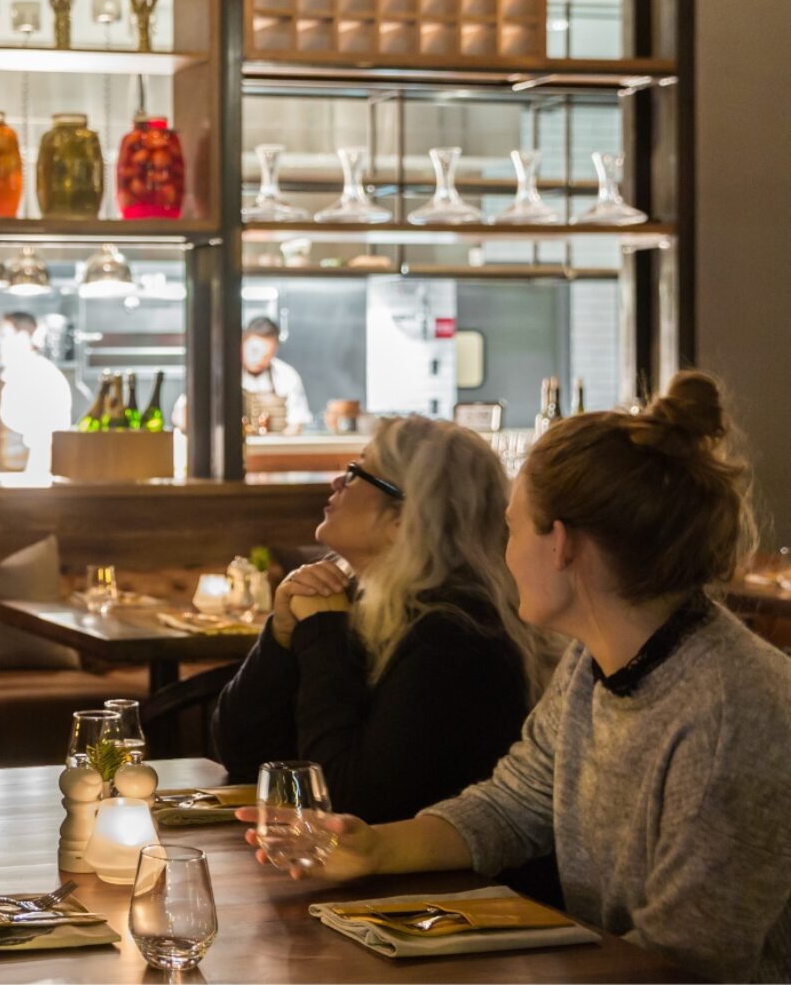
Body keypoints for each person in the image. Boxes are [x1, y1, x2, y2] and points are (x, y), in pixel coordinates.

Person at [238, 372, 791, 983]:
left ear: (561, 545)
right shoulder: (594, 660)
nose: (501, 551)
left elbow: (686, 964)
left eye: (513, 527)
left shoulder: (733, 713)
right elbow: (514, 805)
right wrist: (373, 848)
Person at [212, 416, 553, 824]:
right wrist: (281, 636)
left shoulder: (454, 635)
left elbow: (348, 802)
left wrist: (322, 636)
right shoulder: (362, 602)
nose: (337, 482)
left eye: (356, 473)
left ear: (402, 520)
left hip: (448, 866)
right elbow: (242, 753)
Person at [0, 312, 72, 478]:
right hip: (11, 476)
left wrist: (34, 480)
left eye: (4, 336)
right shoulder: (14, 376)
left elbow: (44, 441)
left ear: (23, 337)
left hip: (29, 478)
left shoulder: (39, 376)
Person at [238, 316, 311, 434]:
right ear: (243, 344)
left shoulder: (287, 376)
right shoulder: (226, 374)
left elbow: (296, 424)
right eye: (254, 351)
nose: (258, 359)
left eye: (266, 355)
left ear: (274, 350)